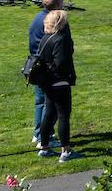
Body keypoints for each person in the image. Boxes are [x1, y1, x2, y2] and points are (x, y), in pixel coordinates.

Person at [35, 9, 77, 163]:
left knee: (49, 114)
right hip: (59, 81)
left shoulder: (46, 37)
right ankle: (66, 150)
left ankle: (44, 147)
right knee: (63, 115)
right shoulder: (61, 39)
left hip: (46, 81)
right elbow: (60, 63)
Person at [29, 0, 64, 149]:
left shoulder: (37, 17)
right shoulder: (51, 21)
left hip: (36, 64)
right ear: (57, 5)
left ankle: (37, 134)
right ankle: (46, 136)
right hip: (47, 67)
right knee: (50, 105)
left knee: (40, 102)